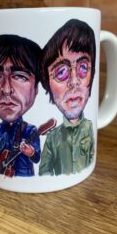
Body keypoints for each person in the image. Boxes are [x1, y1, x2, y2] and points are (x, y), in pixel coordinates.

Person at [0, 34, 41, 177]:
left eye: (20, 76)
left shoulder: (31, 131)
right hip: (0, 175)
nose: (6, 89)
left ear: (36, 88)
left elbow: (36, 158)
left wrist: (30, 151)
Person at [38, 19, 96, 176]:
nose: (74, 81)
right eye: (61, 72)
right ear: (47, 84)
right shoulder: (52, 138)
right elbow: (44, 172)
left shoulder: (91, 128)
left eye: (83, 67)